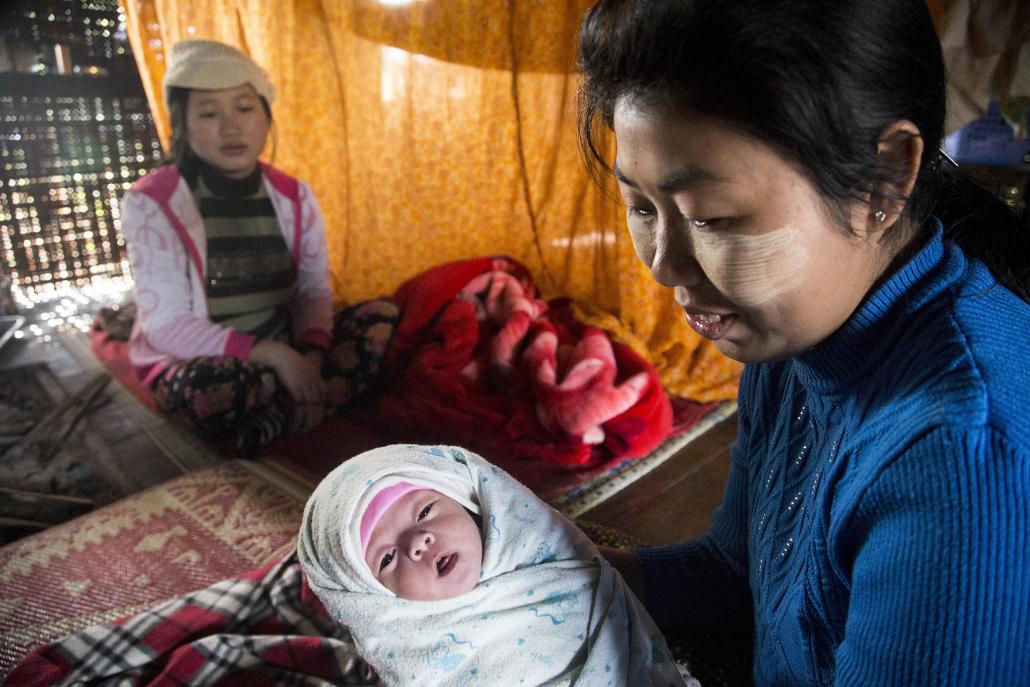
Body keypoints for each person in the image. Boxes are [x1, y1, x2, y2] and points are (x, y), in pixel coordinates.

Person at [576, 0, 1030, 684]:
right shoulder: (795, 336)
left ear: (884, 179)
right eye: (641, 206)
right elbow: (737, 578)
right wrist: (535, 571)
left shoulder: (959, 460)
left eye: (712, 218)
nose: (664, 265)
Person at [120, 39, 399, 456]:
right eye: (209, 113)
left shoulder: (294, 196)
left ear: (266, 116)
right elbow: (167, 325)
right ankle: (303, 400)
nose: (230, 127)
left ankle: (281, 408)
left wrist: (311, 356)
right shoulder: (152, 202)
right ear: (183, 124)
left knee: (383, 316)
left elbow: (313, 290)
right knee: (208, 392)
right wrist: (275, 356)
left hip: (283, 342)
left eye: (245, 108)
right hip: (209, 359)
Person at [296, 443, 699, 686]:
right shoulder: (414, 652)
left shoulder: (553, 558)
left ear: (470, 502)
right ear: (377, 603)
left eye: (425, 513)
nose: (417, 543)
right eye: (386, 558)